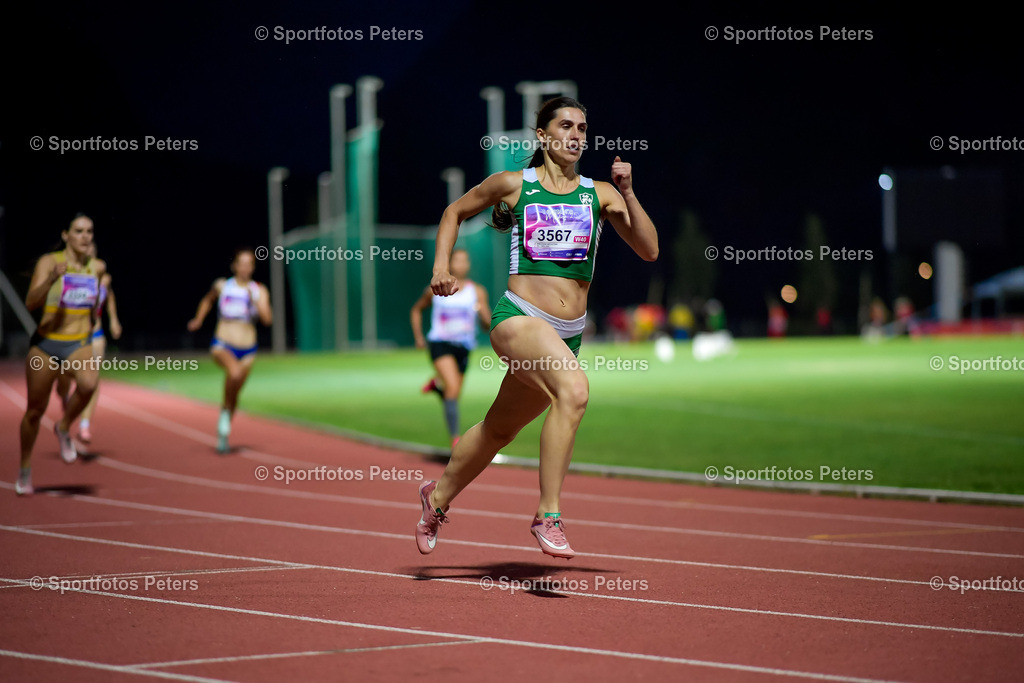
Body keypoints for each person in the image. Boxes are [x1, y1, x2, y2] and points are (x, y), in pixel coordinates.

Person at [415, 97, 658, 558]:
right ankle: (548, 515)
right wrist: (440, 267)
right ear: (543, 136)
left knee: (498, 430)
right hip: (519, 319)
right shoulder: (513, 184)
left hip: (568, 333)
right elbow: (453, 213)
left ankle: (437, 498)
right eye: (565, 126)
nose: (576, 136)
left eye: (583, 129)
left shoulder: (600, 193)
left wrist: (627, 192)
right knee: (575, 392)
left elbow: (649, 250)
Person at [17, 214, 106, 495]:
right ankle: (25, 468)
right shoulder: (49, 262)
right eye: (78, 231)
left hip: (78, 343)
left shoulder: (97, 268)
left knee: (90, 384)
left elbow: (94, 307)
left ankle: (64, 426)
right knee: (34, 412)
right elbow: (31, 303)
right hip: (45, 345)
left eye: (89, 231)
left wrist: (92, 327)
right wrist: (53, 279)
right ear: (66, 235)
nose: (85, 236)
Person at [187, 248, 272, 453]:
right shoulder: (223, 285)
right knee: (233, 373)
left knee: (235, 392)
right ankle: (225, 418)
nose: (245, 268)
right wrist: (199, 319)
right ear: (234, 266)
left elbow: (267, 320)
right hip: (223, 344)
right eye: (241, 263)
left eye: (249, 264)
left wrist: (255, 300)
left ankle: (224, 428)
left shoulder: (259, 290)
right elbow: (207, 300)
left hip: (248, 349)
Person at [410, 248, 491, 450]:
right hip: (440, 343)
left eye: (465, 260)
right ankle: (455, 439)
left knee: (452, 394)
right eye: (457, 260)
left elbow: (487, 324)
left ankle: (437, 386)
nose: (461, 265)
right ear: (450, 263)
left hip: (464, 347)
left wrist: (481, 313)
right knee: (453, 388)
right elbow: (416, 310)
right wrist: (419, 338)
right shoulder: (436, 288)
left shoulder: (477, 291)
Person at [56, 242, 122, 443]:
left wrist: (114, 320)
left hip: (95, 334)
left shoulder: (104, 277)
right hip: (70, 334)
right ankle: (66, 399)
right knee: (64, 378)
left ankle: (84, 425)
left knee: (93, 379)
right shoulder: (69, 273)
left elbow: (109, 298)